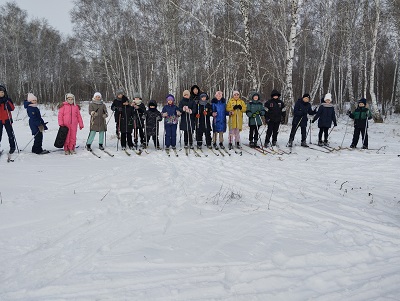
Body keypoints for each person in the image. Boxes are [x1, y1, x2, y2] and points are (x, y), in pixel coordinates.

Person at [0, 84, 16, 154]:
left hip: (7, 119)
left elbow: (12, 108)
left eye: (2, 92)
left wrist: (7, 102)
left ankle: (12, 147)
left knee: (10, 134)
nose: (1, 94)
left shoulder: (7, 100)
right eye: (0, 92)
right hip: (0, 120)